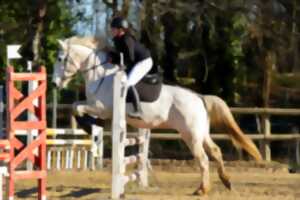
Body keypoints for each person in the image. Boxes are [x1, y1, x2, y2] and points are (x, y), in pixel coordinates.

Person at [109, 16, 154, 117]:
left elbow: (130, 58)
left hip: (144, 62)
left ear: (121, 30)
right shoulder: (117, 39)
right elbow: (121, 55)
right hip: (136, 62)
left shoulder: (127, 39)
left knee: (128, 83)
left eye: (113, 28)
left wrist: (117, 62)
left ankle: (138, 110)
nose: (111, 30)